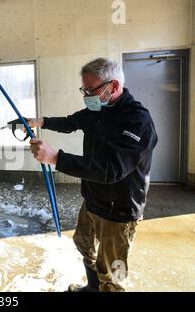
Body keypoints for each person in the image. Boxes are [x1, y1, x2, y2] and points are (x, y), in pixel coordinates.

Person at [27, 58, 158, 292]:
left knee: (113, 273)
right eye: (84, 89)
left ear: (114, 86)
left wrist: (55, 158)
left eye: (91, 90)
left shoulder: (137, 121)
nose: (86, 95)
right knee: (85, 245)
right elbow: (70, 122)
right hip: (93, 199)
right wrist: (40, 122)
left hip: (119, 211)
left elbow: (111, 169)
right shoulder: (98, 110)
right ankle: (92, 287)